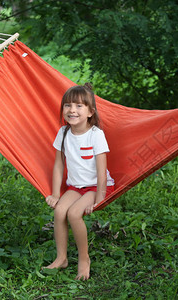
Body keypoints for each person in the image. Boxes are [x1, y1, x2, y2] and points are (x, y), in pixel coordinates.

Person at [44, 83, 115, 280]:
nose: (72, 110)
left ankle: (84, 259)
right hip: (75, 186)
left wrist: (99, 198)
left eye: (78, 106)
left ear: (90, 112)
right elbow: (59, 165)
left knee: (74, 214)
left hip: (97, 186)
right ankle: (62, 258)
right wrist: (56, 193)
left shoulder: (96, 135)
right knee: (59, 211)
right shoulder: (63, 133)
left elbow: (102, 171)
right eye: (67, 105)